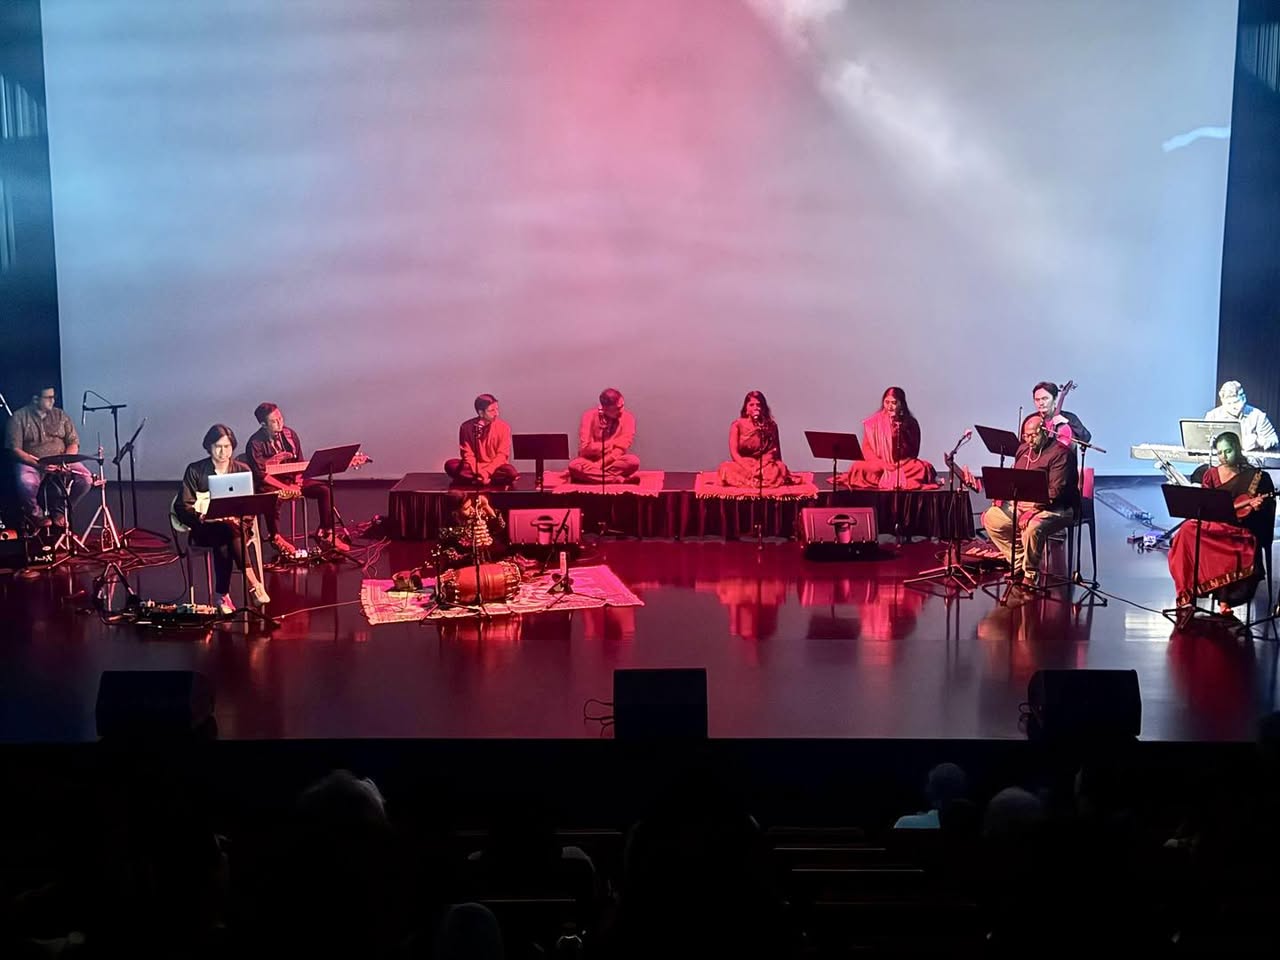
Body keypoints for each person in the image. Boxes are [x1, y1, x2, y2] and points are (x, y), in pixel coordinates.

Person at [1168, 431, 1274, 617]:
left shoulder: (1257, 477)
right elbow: (1205, 503)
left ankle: (1224, 599)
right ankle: (1187, 596)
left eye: (1228, 451)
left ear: (1238, 449)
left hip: (1239, 530)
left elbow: (1265, 515)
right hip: (1214, 526)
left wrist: (1256, 508)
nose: (1223, 457)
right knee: (1186, 530)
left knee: (1210, 539)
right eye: (1220, 453)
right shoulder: (1210, 474)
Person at [174, 424, 270, 614]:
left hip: (236, 529)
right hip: (205, 529)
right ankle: (254, 584)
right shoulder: (195, 470)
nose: (223, 451)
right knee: (226, 531)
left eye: (227, 447)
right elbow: (182, 506)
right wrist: (201, 516)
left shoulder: (241, 469)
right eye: (218, 446)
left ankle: (222, 596)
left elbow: (249, 508)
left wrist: (239, 520)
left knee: (227, 533)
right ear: (208, 446)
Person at [982, 413, 1078, 586]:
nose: (1029, 440)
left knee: (1032, 527)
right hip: (1024, 503)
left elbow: (1056, 491)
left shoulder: (1061, 454)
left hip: (1056, 507)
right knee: (991, 518)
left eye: (1033, 435)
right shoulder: (1023, 449)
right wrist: (1002, 496)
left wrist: (1034, 510)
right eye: (1026, 436)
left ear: (1045, 431)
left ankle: (1031, 573)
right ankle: (1019, 562)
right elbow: (1015, 479)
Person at [245, 402, 350, 556]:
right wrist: (285, 488)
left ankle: (325, 532)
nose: (280, 422)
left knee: (324, 490)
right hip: (269, 484)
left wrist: (299, 480)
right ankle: (275, 536)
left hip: (292, 480)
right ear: (263, 424)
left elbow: (299, 462)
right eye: (274, 421)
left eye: (280, 418)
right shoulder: (254, 443)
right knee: (271, 498)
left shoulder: (290, 435)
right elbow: (261, 475)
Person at [4, 385, 93, 532]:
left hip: (61, 459)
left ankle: (60, 510)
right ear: (35, 399)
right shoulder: (18, 418)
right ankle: (36, 514)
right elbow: (15, 450)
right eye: (48, 397)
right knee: (26, 482)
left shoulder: (61, 415)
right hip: (33, 462)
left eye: (53, 397)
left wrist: (66, 460)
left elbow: (73, 442)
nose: (53, 400)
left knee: (86, 479)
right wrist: (37, 464)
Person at [843, 386, 935, 490]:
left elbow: (914, 451)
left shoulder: (911, 423)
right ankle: (892, 478)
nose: (890, 406)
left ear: (901, 404)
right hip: (879, 465)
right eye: (887, 402)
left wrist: (900, 436)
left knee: (922, 468)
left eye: (894, 403)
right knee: (857, 467)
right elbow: (866, 449)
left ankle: (891, 478)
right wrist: (882, 464)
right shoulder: (873, 423)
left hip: (902, 465)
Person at [717, 391, 795, 487]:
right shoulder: (737, 425)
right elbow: (734, 454)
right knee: (725, 468)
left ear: (763, 408)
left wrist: (760, 466)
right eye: (751, 405)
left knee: (780, 468)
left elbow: (773, 451)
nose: (755, 408)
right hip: (744, 465)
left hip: (764, 465)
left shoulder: (771, 426)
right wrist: (748, 468)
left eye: (758, 405)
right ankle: (759, 482)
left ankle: (754, 482)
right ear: (746, 408)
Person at [568, 387, 640, 484]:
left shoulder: (628, 418)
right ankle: (617, 480)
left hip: (611, 462)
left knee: (633, 461)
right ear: (604, 409)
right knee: (574, 466)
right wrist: (611, 444)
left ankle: (591, 477)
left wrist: (599, 464)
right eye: (617, 408)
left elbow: (621, 449)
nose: (621, 410)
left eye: (622, 406)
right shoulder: (588, 416)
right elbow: (585, 449)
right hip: (589, 462)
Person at [444, 394, 518, 487]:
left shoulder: (504, 427)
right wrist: (479, 471)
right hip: (473, 467)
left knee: (510, 472)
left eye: (497, 409)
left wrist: (487, 472)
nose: (496, 413)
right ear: (481, 413)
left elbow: (502, 455)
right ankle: (484, 480)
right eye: (492, 410)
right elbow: (467, 454)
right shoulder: (466, 427)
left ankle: (477, 480)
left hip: (494, 468)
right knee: (450, 465)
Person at [1204, 380, 1278, 452]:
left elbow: (1274, 440)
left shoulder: (1257, 416)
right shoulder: (1212, 416)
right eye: (1228, 403)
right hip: (1220, 461)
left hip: (1250, 461)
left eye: (1236, 402)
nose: (1233, 407)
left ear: (1243, 398)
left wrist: (1258, 442)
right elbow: (1203, 443)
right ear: (1222, 401)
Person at [1032, 380, 1091, 446]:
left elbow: (1086, 438)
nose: (1041, 403)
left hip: (1064, 455)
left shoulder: (1070, 418)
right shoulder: (1031, 421)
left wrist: (1067, 423)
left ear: (1054, 398)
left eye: (1045, 399)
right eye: (1037, 400)